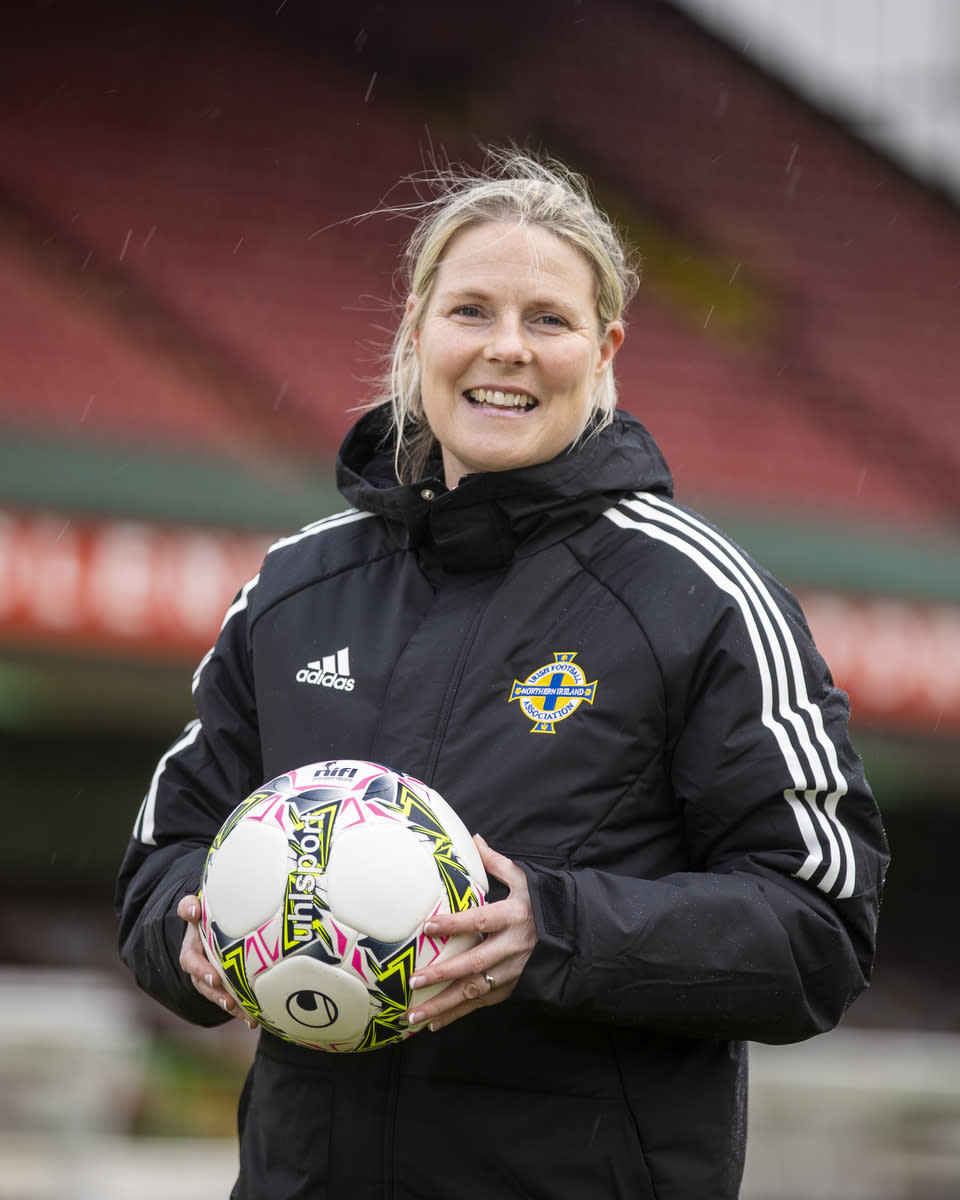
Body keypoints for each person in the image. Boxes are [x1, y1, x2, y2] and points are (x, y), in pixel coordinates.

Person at [116, 149, 889, 1199]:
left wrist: (555, 930)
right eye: (472, 311)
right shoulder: (295, 589)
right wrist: (193, 938)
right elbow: (165, 855)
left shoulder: (699, 598)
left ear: (605, 348)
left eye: (549, 320)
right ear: (417, 332)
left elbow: (819, 931)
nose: (507, 350)